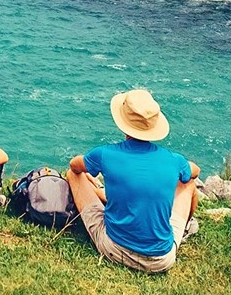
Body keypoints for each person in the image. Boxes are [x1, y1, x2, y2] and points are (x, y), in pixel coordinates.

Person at [66, 89, 200, 273]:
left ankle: (102, 195)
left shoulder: (105, 154)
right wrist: (184, 167)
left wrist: (88, 174)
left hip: (114, 250)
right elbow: (194, 172)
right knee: (188, 183)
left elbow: (74, 166)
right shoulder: (174, 160)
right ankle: (184, 229)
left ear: (123, 124)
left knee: (73, 175)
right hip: (161, 260)